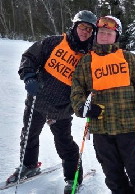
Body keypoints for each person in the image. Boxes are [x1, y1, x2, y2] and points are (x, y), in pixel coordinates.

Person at [6, 10, 97, 194]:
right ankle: (28, 165)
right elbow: (29, 57)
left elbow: (92, 84)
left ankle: (73, 178)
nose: (85, 31)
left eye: (89, 29)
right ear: (75, 26)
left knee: (64, 143)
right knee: (29, 135)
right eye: (82, 27)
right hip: (37, 101)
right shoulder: (54, 42)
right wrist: (29, 77)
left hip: (62, 108)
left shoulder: (90, 57)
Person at [71, 15, 135, 194]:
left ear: (116, 37)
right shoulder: (86, 61)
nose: (104, 36)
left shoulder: (128, 58)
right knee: (112, 174)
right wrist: (82, 107)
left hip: (129, 127)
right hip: (101, 129)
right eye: (101, 32)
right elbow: (77, 89)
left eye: (109, 33)